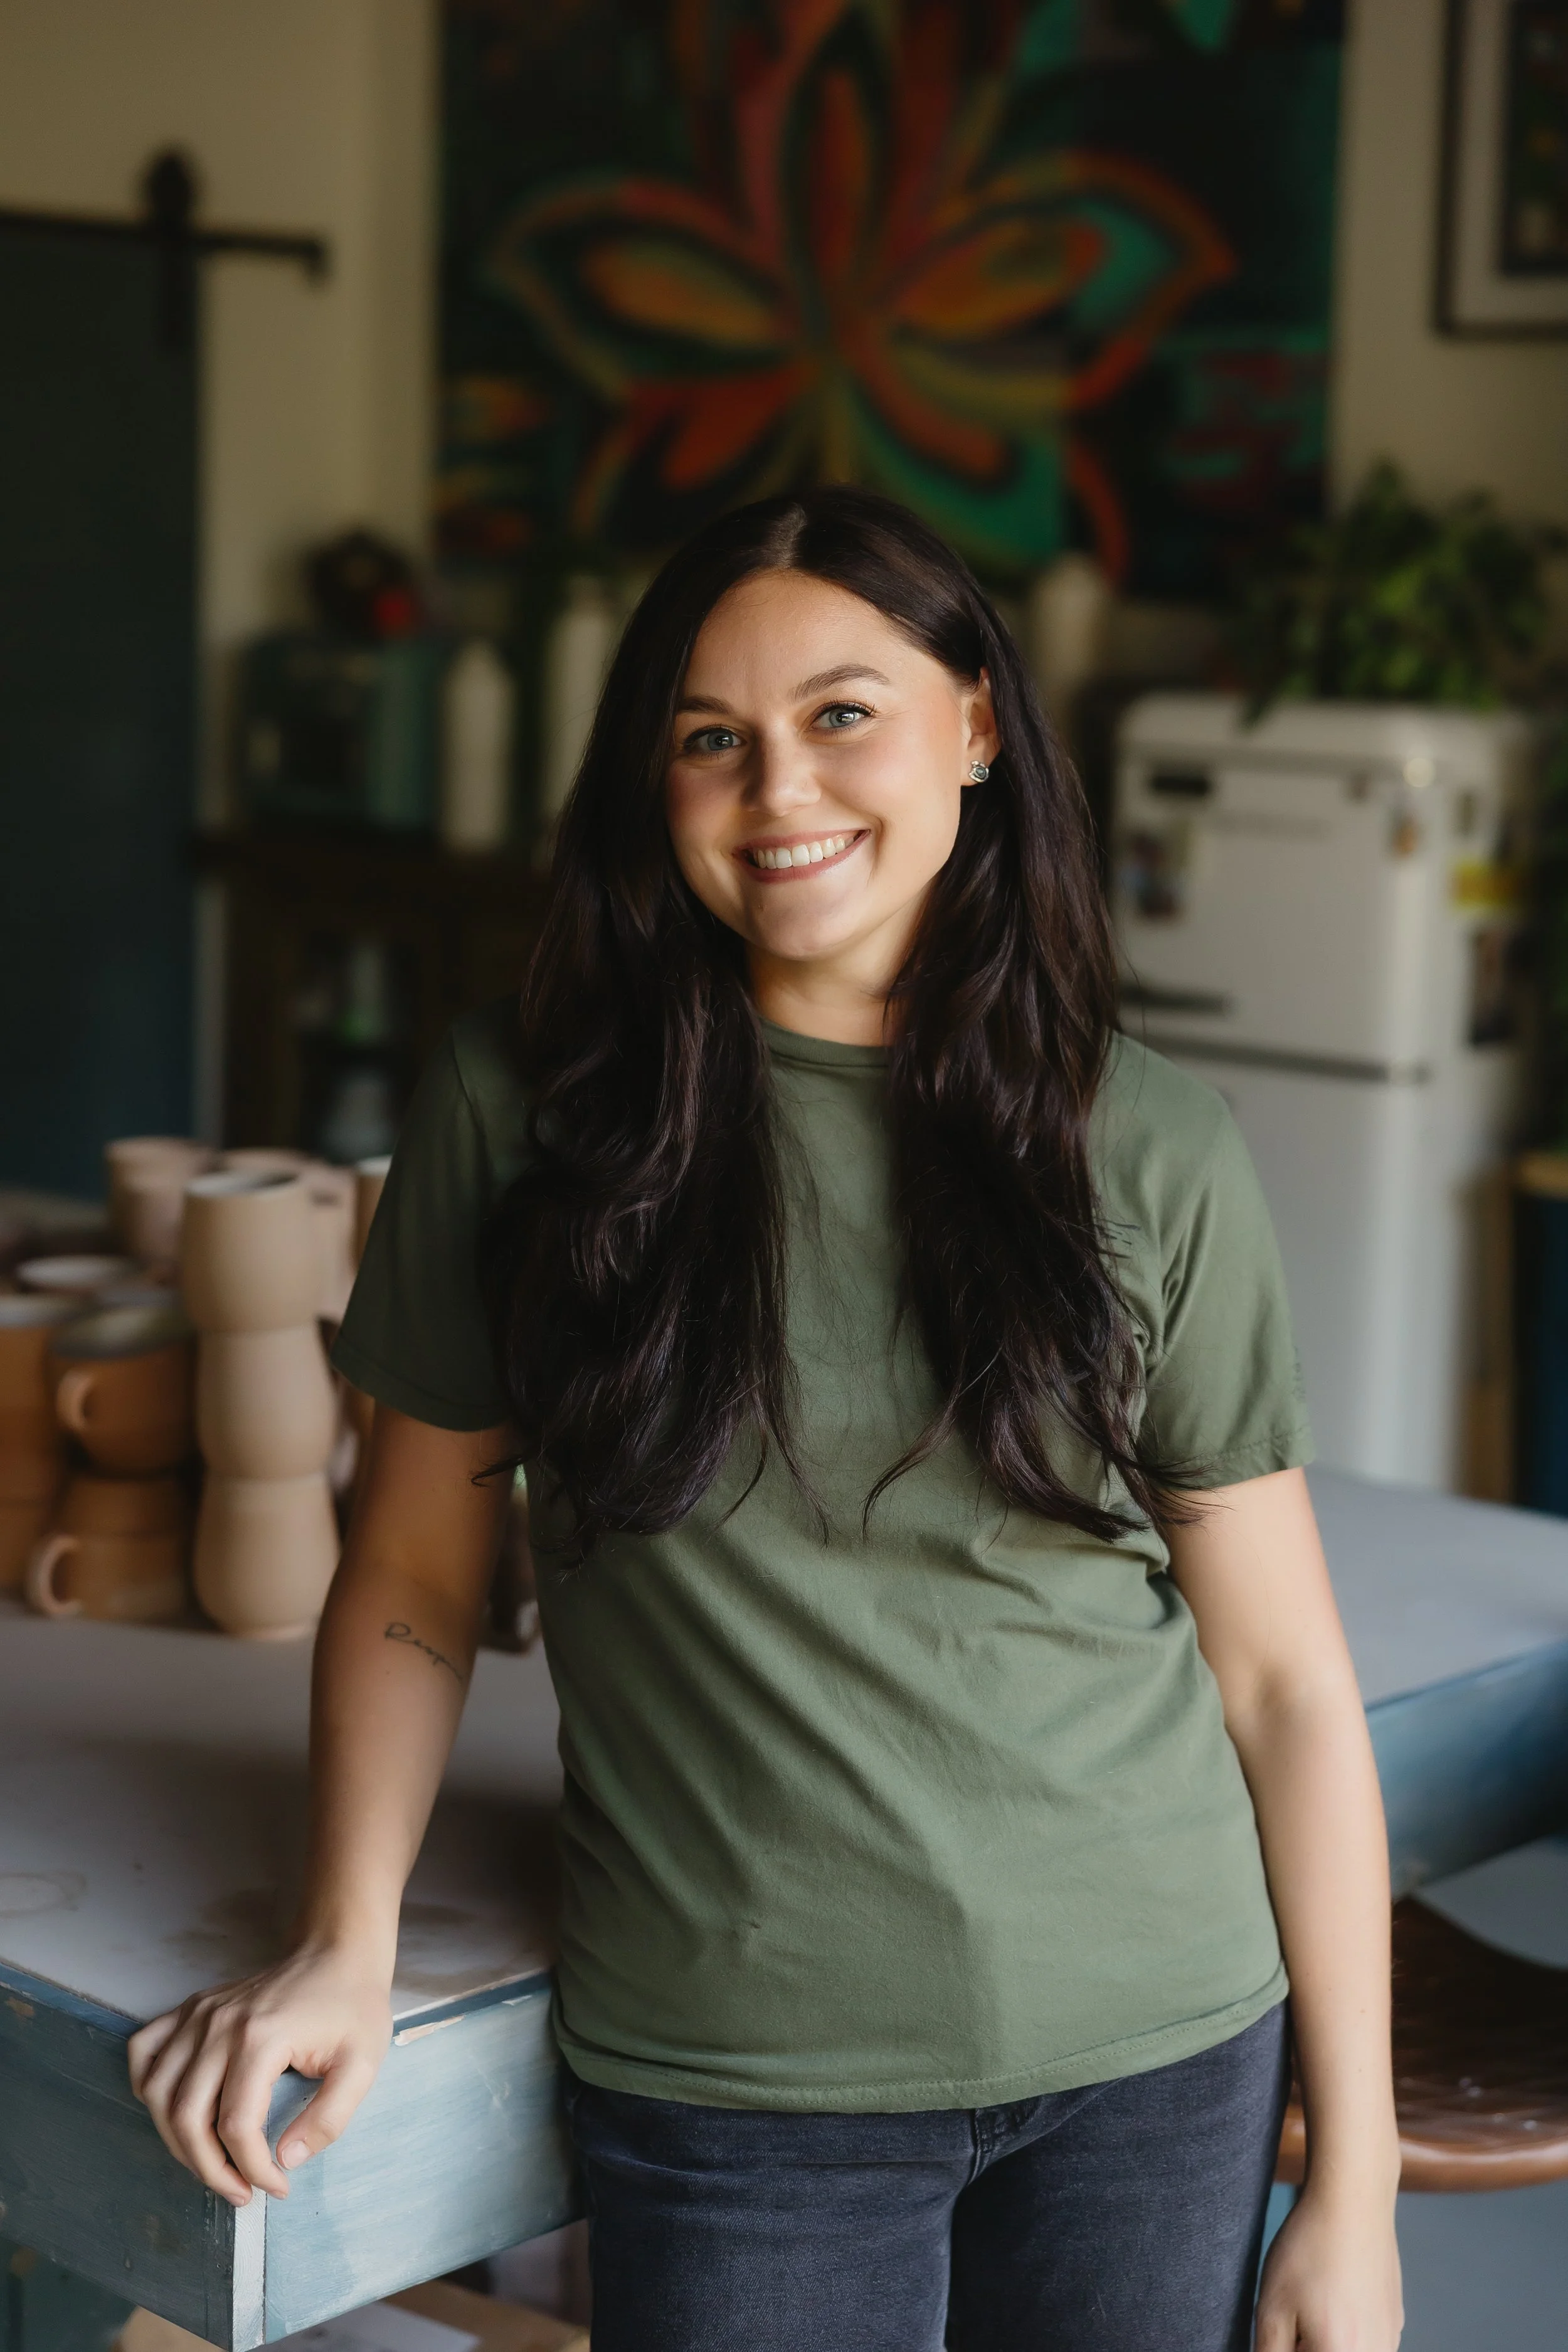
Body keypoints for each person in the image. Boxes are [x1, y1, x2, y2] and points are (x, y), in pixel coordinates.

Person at [130, 489, 1403, 2352]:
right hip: (740, 2084)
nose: (775, 787)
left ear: (973, 723)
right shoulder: (528, 1110)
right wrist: (348, 1935)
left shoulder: (1146, 1142)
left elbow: (1282, 1680)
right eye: (708, 737)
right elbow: (408, 1563)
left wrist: (1348, 2180)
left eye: (839, 713)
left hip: (1157, 2040)